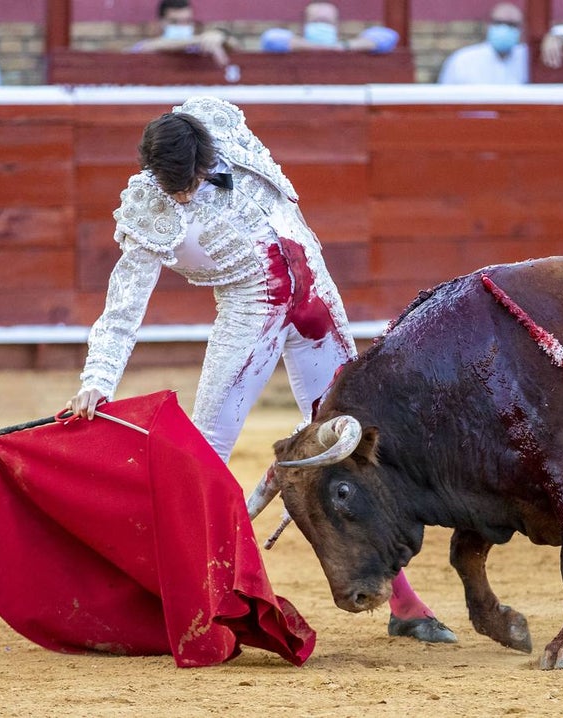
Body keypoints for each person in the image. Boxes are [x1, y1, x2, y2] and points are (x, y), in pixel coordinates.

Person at [65, 96, 457, 645]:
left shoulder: (222, 127)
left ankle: (405, 603)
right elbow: (123, 306)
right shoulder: (148, 207)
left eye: (188, 181)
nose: (182, 195)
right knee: (204, 455)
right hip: (250, 310)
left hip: (316, 294)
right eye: (171, 185)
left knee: (353, 444)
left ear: (206, 157)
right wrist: (97, 380)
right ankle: (182, 595)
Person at [438, 2, 528, 85]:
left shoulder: (528, 59)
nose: (504, 29)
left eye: (511, 25)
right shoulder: (462, 61)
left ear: (522, 29)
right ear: (488, 25)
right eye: (498, 23)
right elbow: (445, 94)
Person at [259, 1, 399, 54]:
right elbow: (271, 38)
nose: (321, 26)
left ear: (337, 27)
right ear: (304, 26)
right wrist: (316, 47)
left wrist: (343, 46)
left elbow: (388, 37)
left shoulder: (346, 47)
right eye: (317, 21)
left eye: (326, 22)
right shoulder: (291, 46)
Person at [130, 0, 235, 68]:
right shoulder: (147, 45)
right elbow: (150, 46)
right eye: (174, 22)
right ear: (161, 22)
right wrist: (202, 38)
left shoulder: (200, 47)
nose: (182, 26)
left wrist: (220, 36)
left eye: (187, 21)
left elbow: (234, 46)